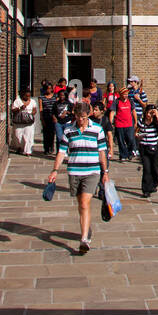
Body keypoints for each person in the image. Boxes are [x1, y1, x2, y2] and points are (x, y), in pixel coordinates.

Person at [47, 101, 110, 253]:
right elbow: (62, 152)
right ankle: (86, 228)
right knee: (81, 205)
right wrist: (55, 170)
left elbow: (102, 152)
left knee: (84, 202)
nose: (80, 120)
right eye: (78, 117)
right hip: (75, 171)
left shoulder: (97, 130)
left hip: (92, 172)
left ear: (88, 115)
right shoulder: (69, 130)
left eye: (83, 117)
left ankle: (84, 239)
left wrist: (105, 172)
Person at [136, 103, 158, 197]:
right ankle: (146, 190)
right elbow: (136, 132)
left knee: (154, 168)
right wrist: (138, 136)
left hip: (154, 147)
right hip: (144, 147)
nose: (149, 115)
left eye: (151, 113)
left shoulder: (155, 122)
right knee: (146, 169)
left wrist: (157, 116)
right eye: (148, 113)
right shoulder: (141, 121)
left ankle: (154, 184)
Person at [11, 87, 38, 155]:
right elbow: (13, 110)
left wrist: (32, 113)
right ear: (23, 95)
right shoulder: (17, 101)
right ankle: (20, 147)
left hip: (29, 122)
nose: (28, 97)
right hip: (19, 122)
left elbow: (34, 109)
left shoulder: (32, 101)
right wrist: (20, 108)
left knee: (28, 136)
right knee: (18, 136)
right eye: (26, 96)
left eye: (29, 96)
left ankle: (28, 151)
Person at [114, 85, 137, 161]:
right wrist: (111, 122)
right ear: (121, 95)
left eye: (126, 94)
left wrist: (135, 121)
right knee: (121, 141)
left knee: (130, 139)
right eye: (124, 94)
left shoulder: (130, 101)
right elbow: (112, 112)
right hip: (119, 124)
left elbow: (133, 111)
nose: (126, 95)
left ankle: (130, 153)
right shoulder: (117, 101)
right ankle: (123, 155)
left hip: (129, 123)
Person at [39, 80, 58, 155]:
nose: (49, 90)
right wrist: (41, 119)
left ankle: (51, 147)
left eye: (50, 88)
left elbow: (57, 106)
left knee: (52, 133)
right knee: (46, 133)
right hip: (45, 116)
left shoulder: (55, 96)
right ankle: (46, 148)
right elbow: (41, 108)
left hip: (53, 116)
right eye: (47, 88)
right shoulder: (41, 97)